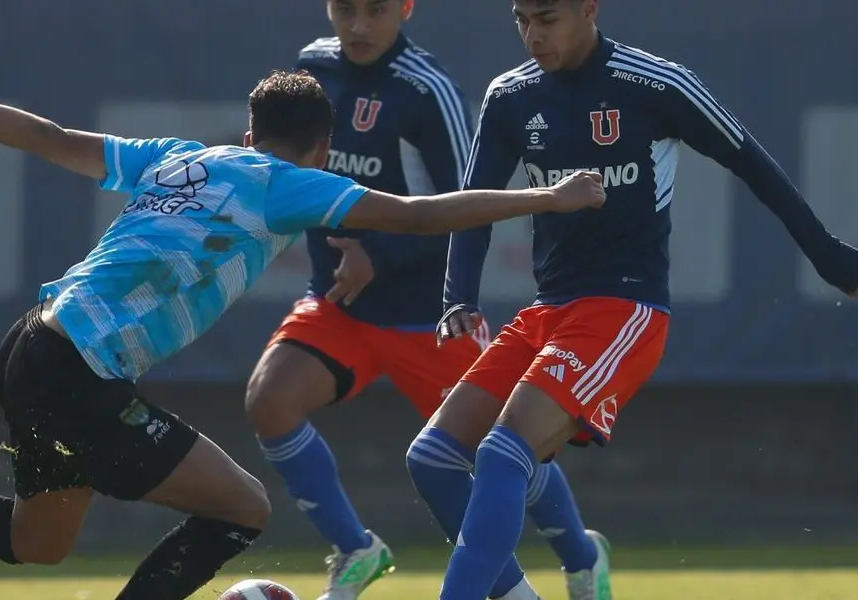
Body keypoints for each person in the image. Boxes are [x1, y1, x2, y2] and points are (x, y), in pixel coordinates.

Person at [0, 69, 605, 599]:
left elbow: (50, 138)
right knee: (241, 508)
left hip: (34, 342)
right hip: (79, 367)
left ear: (249, 132)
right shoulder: (290, 183)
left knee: (40, 542)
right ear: (324, 150)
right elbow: (419, 214)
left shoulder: (178, 158)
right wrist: (547, 200)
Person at [422, 1, 858, 599]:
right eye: (522, 19)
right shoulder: (509, 96)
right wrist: (460, 296)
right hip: (547, 310)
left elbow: (751, 162)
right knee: (432, 458)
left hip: (623, 309)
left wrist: (826, 253)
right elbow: (475, 203)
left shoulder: (656, 83)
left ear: (589, 8)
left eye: (548, 18)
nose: (533, 35)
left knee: (506, 455)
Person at [244, 2, 609, 600]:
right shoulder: (312, 69)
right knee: (270, 400)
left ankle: (580, 555)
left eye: (376, 10)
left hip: (426, 316)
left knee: (512, 445)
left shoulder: (427, 89)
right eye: (345, 9)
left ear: (406, 7)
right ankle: (357, 549)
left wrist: (377, 256)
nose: (358, 26)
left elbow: (463, 205)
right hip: (340, 305)